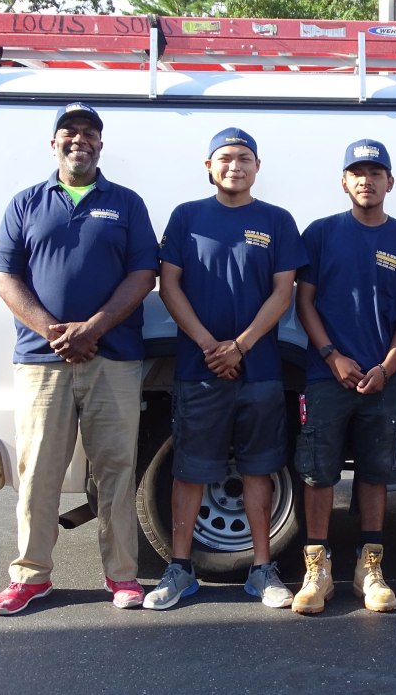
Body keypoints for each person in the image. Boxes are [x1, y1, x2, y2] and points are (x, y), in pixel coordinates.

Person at [0, 102, 159, 615]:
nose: (78, 139)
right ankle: (31, 576)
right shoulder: (25, 203)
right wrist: (54, 331)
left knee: (116, 469)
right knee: (38, 470)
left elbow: (143, 274)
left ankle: (123, 576)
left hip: (116, 356)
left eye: (89, 133)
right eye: (69, 132)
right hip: (42, 360)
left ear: (101, 145)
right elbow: (5, 276)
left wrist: (93, 329)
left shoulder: (126, 204)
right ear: (54, 144)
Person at [145, 127, 307, 611]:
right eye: (225, 158)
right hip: (199, 370)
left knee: (260, 469)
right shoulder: (187, 217)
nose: (235, 166)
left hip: (258, 371)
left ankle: (262, 570)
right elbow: (168, 286)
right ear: (208, 167)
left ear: (258, 167)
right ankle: (180, 570)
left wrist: (239, 346)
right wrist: (208, 345)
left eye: (244, 159)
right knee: (190, 470)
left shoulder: (276, 221)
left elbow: (284, 292)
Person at [292, 139, 396, 614]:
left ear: (391, 181)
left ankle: (369, 568)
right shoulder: (321, 233)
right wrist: (332, 357)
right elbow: (304, 301)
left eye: (375, 172)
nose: (366, 180)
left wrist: (387, 366)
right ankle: (317, 571)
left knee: (376, 472)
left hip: (383, 379)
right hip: (328, 376)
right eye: (357, 172)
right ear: (343, 182)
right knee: (317, 471)